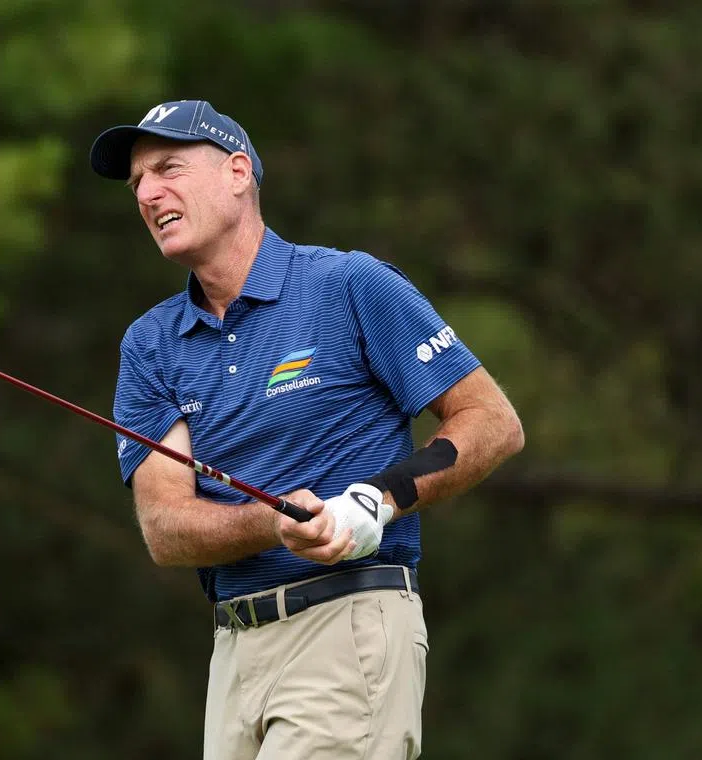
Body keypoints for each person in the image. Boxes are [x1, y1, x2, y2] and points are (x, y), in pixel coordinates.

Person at [89, 99, 524, 760]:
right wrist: (273, 523)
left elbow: (491, 421)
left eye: (168, 169)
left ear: (238, 172)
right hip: (234, 654)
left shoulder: (348, 285)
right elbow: (166, 527)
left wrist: (376, 501)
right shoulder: (151, 344)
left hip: (347, 625)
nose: (148, 194)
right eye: (137, 183)